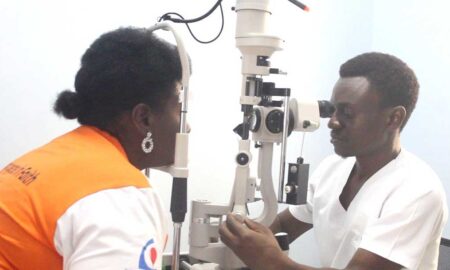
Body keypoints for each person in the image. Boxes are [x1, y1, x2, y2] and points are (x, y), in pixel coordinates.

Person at [219, 52, 448, 270]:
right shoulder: (333, 168)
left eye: (347, 113)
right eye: (332, 111)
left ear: (393, 118)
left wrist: (272, 261)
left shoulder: (417, 190)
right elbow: (284, 227)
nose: (333, 122)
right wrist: (236, 239)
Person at [0, 27, 183, 269]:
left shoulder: (52, 156)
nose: (186, 124)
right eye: (178, 105)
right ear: (143, 118)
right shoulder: (119, 201)